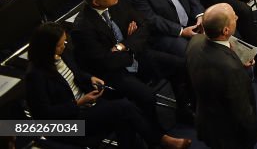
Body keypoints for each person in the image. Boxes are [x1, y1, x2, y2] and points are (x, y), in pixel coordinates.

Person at [25, 22, 190, 149]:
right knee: (123, 108)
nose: (65, 45)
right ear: (48, 47)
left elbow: (78, 74)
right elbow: (44, 115)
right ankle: (161, 140)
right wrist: (78, 103)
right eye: (61, 44)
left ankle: (150, 142)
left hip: (87, 104)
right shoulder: (35, 76)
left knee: (124, 117)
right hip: (68, 123)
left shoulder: (63, 54)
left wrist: (91, 78)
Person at [72, 0, 191, 128]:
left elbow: (144, 28)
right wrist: (131, 46)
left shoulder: (120, 0)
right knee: (146, 97)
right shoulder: (83, 28)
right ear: (96, 2)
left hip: (137, 54)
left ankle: (184, 109)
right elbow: (106, 61)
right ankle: (156, 134)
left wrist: (123, 46)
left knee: (181, 66)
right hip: (114, 72)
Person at [186, 3, 257, 149]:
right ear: (226, 30)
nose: (237, 17)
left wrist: (236, 61)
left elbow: (212, 68)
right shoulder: (231, 69)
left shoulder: (194, 42)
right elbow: (242, 111)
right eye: (233, 17)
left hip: (207, 123)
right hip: (231, 134)